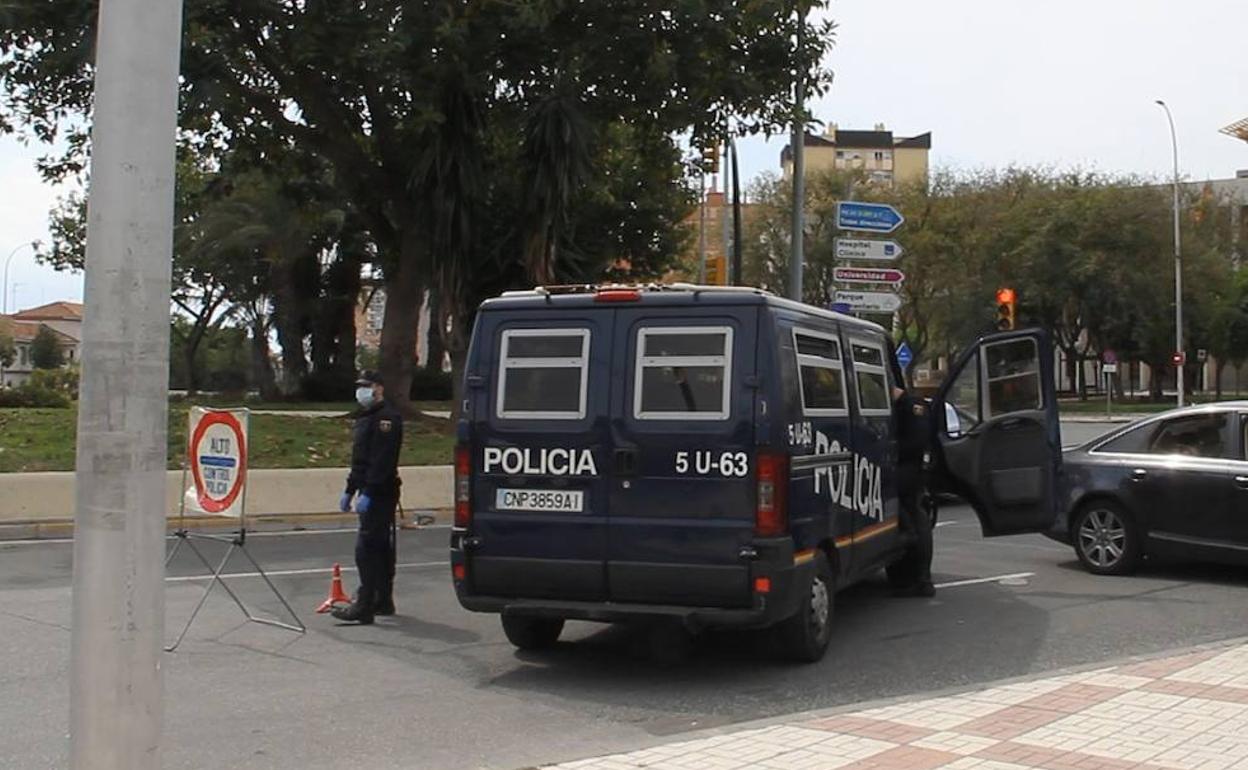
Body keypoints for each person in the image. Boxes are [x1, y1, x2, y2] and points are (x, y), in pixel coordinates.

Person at [333, 370, 404, 624]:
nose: (362, 391)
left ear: (379, 388)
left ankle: (365, 604)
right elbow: (360, 459)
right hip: (369, 489)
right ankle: (382, 599)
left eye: (367, 386)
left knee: (368, 548)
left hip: (380, 491)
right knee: (380, 547)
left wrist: (370, 492)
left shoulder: (387, 419)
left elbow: (382, 461)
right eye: (360, 386)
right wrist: (350, 489)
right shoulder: (367, 417)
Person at [892, 385, 935, 598]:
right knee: (917, 515)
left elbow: (915, 443)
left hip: (911, 469)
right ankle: (920, 578)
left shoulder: (912, 406)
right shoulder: (911, 405)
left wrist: (890, 450)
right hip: (914, 469)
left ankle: (922, 579)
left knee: (891, 497)